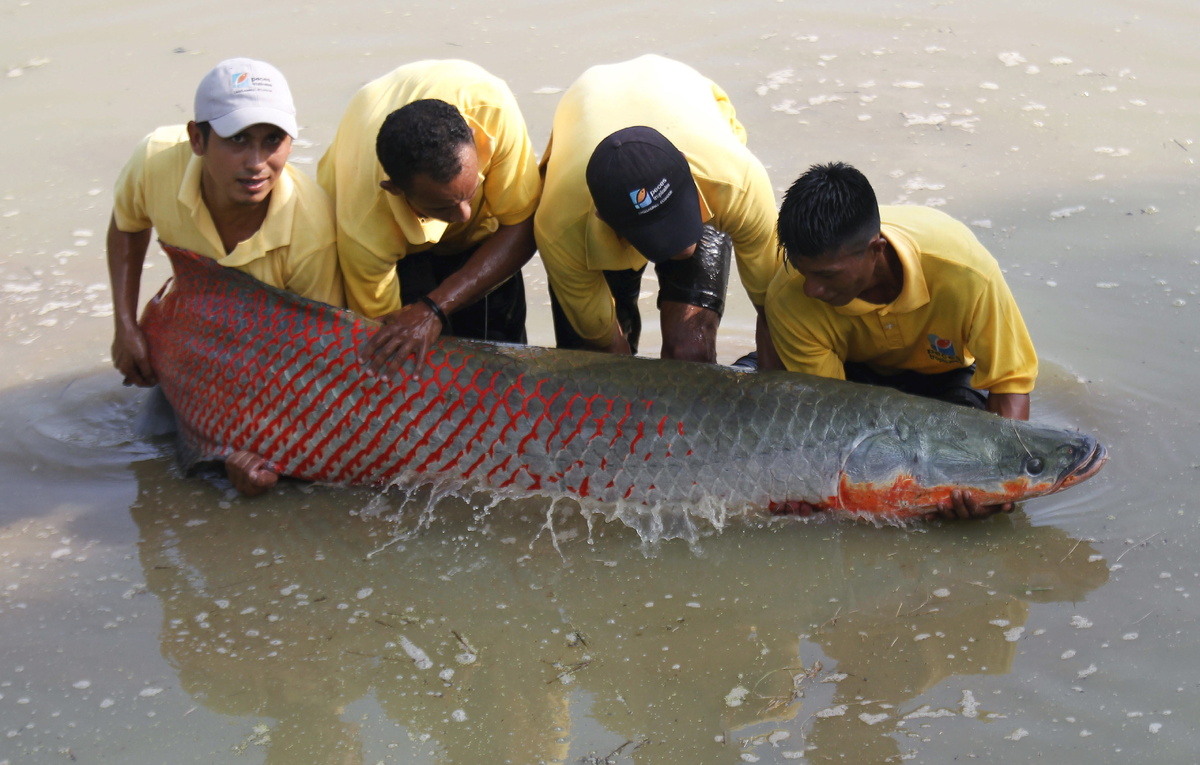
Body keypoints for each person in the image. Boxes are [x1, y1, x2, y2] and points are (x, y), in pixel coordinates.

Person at [107, 57, 343, 496]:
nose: (257, 163)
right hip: (192, 334)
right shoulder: (156, 160)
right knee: (145, 452)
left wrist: (248, 442)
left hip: (270, 359)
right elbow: (127, 225)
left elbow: (313, 367)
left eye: (273, 140)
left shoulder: (312, 228)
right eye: (237, 140)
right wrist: (124, 326)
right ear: (197, 137)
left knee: (264, 483)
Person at [762, 161, 1039, 519]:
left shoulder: (967, 272)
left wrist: (1002, 479)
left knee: (969, 476)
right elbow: (831, 422)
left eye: (826, 275)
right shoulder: (789, 295)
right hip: (851, 379)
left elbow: (1009, 382)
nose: (812, 289)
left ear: (876, 250)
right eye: (804, 272)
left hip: (944, 378)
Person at [533, 55, 782, 364]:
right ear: (603, 217)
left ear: (686, 164)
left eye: (681, 219)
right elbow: (607, 346)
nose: (685, 247)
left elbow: (774, 309)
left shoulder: (736, 182)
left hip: (673, 83)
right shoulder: (560, 227)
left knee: (689, 351)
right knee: (592, 360)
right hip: (585, 108)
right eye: (658, 236)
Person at [317, 59, 541, 372]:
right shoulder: (363, 226)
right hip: (398, 248)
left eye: (470, 192)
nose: (463, 216)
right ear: (394, 189)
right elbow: (385, 334)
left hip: (482, 234)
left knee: (502, 360)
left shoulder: (493, 111)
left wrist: (436, 306)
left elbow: (522, 224)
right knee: (410, 356)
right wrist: (421, 314)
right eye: (442, 207)